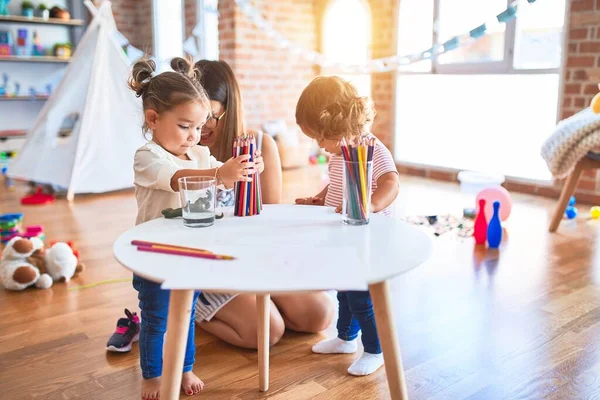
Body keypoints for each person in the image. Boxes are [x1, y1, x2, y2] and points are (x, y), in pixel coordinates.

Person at [128, 56, 263, 399]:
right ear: (153, 119)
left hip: (191, 254)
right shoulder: (149, 156)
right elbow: (178, 180)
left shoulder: (201, 155)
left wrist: (245, 168)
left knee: (186, 316)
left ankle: (185, 367)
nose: (194, 136)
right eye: (185, 126)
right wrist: (219, 174)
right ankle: (151, 375)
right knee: (157, 319)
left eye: (199, 127)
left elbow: (225, 179)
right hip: (155, 257)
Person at [192, 60, 336, 348]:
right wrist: (221, 178)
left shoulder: (259, 144)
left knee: (320, 315)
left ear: (229, 109)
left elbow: (268, 221)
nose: (201, 126)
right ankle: (191, 310)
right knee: (267, 331)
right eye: (193, 117)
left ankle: (263, 300)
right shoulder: (188, 149)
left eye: (210, 116)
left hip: (252, 256)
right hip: (211, 263)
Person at [295, 76, 399, 376]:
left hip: (368, 239)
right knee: (343, 291)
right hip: (344, 236)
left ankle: (376, 349)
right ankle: (345, 338)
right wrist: (318, 199)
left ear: (336, 125)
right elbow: (337, 187)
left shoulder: (370, 148)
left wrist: (371, 205)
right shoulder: (339, 154)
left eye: (320, 137)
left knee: (361, 298)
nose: (320, 145)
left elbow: (390, 183)